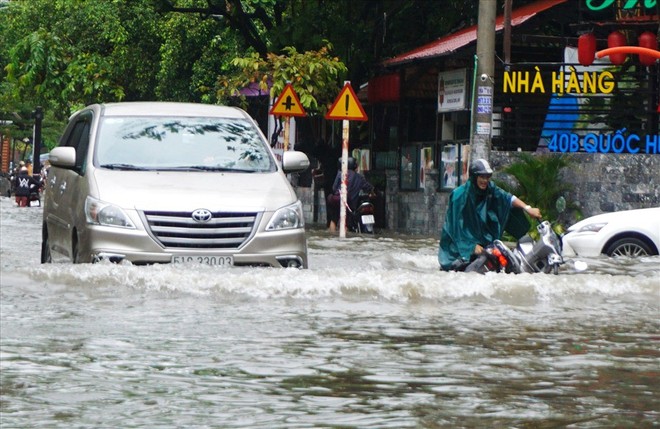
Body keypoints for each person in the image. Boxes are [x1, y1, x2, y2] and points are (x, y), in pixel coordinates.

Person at [438, 158, 542, 271]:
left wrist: (527, 208)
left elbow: (507, 198)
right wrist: (471, 246)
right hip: (458, 246)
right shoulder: (459, 196)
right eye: (482, 177)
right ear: (474, 177)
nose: (485, 180)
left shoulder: (490, 189)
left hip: (480, 241)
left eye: (487, 177)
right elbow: (456, 228)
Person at [327, 157, 374, 232]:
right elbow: (369, 188)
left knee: (333, 220)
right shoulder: (359, 177)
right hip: (349, 203)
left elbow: (334, 188)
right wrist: (372, 193)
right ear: (355, 166)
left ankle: (332, 235)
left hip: (337, 200)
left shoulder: (341, 173)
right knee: (346, 223)